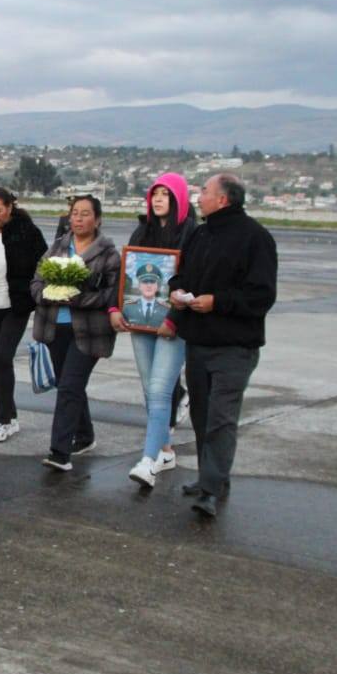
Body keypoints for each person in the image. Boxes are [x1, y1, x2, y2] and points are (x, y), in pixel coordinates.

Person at [168, 173, 277, 517]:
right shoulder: (200, 234)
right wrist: (177, 291)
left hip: (234, 346)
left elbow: (261, 296)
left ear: (224, 199)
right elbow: (181, 274)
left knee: (221, 417)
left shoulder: (256, 238)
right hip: (198, 342)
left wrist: (218, 302)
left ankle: (212, 490)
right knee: (201, 414)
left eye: (204, 191)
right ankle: (210, 477)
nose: (198, 196)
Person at [113, 172, 195, 487]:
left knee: (161, 390)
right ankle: (165, 450)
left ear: (179, 199)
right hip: (140, 322)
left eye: (166, 194)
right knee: (150, 390)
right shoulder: (141, 231)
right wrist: (115, 308)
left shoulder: (191, 234)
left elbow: (193, 279)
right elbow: (125, 275)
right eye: (155, 194)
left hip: (173, 325)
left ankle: (148, 461)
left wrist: (173, 318)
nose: (158, 199)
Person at [31, 195, 120, 472]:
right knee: (68, 384)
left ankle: (60, 451)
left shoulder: (108, 254)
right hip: (55, 327)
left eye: (84, 214)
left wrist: (78, 298)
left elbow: (111, 293)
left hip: (89, 331)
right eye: (74, 213)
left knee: (69, 385)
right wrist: (46, 294)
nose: (78, 219)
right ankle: (85, 435)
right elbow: (36, 282)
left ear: (98, 219)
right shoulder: (57, 247)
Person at [0, 186, 46, 442]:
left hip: (15, 305)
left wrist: (38, 297)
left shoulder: (25, 232)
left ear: (10, 208)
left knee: (3, 358)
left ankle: (1, 419)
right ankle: (11, 415)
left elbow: (43, 264)